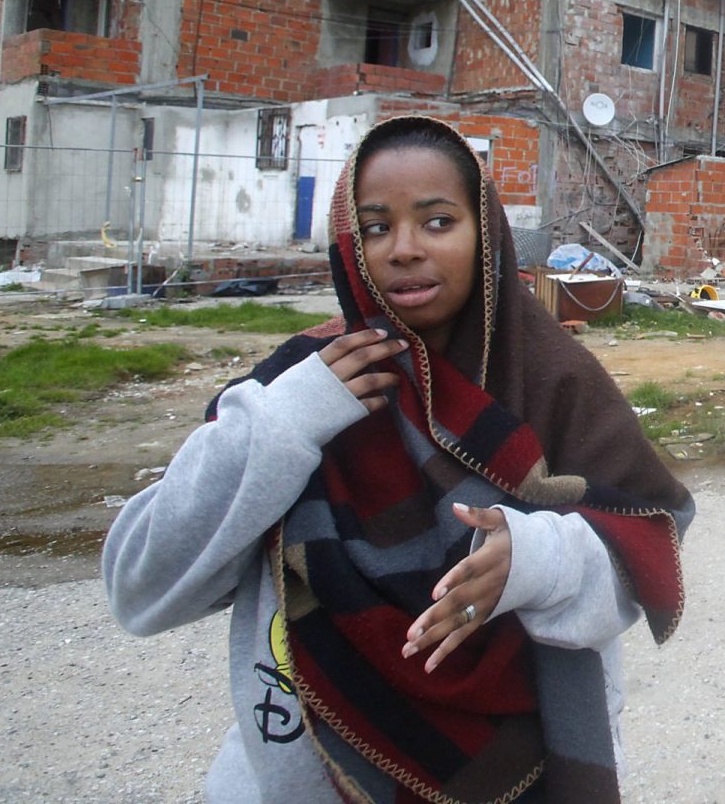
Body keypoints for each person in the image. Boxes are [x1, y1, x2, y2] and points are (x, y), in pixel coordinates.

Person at [104, 116, 693, 803]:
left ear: (486, 234)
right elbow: (139, 587)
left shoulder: (554, 383)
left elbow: (646, 539)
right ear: (350, 245)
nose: (404, 250)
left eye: (437, 222)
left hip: (532, 765)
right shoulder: (299, 384)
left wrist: (537, 560)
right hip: (312, 771)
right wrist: (284, 425)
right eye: (377, 227)